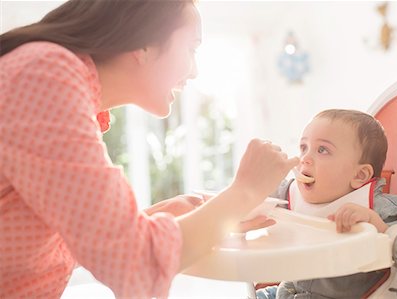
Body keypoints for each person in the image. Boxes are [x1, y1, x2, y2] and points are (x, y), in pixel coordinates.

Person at [0, 1, 299, 298]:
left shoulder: (55, 80)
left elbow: (73, 245)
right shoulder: (45, 77)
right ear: (143, 42)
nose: (194, 71)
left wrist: (153, 219)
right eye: (191, 48)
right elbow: (134, 264)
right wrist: (244, 191)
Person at [256, 109, 397, 299]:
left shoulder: (381, 210)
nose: (305, 158)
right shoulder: (289, 192)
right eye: (303, 147)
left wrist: (375, 226)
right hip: (288, 292)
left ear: (359, 175)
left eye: (322, 150)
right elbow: (253, 198)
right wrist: (262, 178)